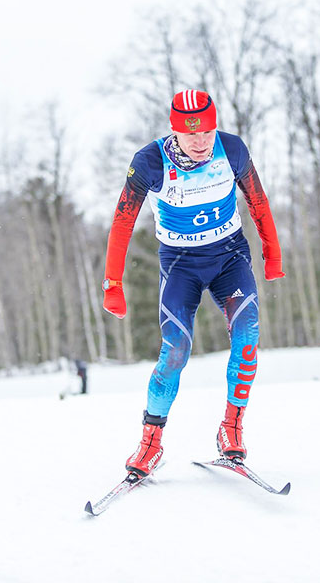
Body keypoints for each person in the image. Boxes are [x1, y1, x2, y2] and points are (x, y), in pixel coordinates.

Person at [101, 90, 285, 477]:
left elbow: (258, 201)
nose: (202, 142)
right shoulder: (150, 162)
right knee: (175, 350)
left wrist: (273, 254)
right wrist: (112, 283)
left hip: (229, 256)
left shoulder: (231, 150)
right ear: (175, 131)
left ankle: (230, 428)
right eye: (191, 134)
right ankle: (150, 442)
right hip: (180, 264)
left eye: (207, 132)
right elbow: (122, 222)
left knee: (247, 336)